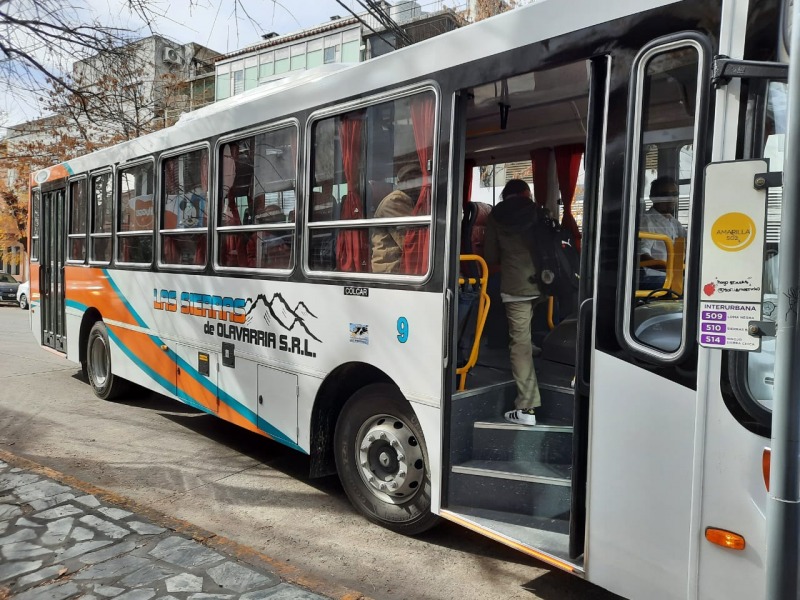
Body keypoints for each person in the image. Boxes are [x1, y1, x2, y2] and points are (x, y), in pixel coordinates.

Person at [484, 179, 543, 426]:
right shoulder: (537, 211)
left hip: (515, 285)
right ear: (524, 194)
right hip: (544, 281)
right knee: (528, 329)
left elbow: (490, 256)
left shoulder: (495, 216)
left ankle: (526, 408)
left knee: (518, 344)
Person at [639, 176, 686, 290]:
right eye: (665, 195)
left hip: (670, 275)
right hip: (652, 277)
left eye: (674, 194)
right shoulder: (646, 221)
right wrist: (670, 269)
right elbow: (641, 255)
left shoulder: (675, 223)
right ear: (653, 198)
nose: (671, 199)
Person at [370, 164, 420, 273]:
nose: (418, 185)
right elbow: (409, 239)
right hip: (391, 270)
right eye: (413, 180)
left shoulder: (407, 199)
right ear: (402, 183)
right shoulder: (397, 200)